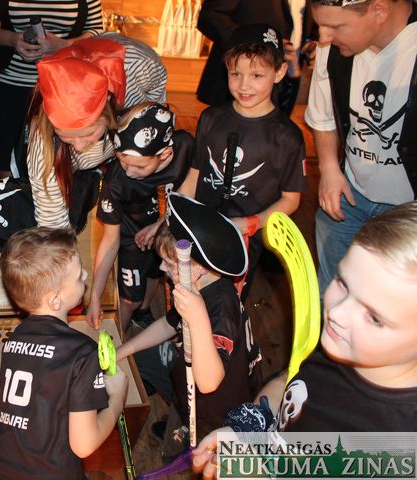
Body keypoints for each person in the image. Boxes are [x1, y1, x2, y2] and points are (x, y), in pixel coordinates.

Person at [193, 201, 417, 478]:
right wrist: (249, 428)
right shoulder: (346, 345)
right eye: (342, 283)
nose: (337, 313)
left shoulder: (397, 451)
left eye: (374, 317)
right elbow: (293, 382)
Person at [0, 227, 128, 479]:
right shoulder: (83, 353)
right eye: (79, 276)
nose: (86, 274)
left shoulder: (14, 339)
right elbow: (84, 445)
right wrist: (116, 402)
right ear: (55, 300)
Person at [117, 193, 261, 445]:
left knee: (195, 443)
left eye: (169, 263)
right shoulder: (196, 286)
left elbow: (208, 383)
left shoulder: (221, 308)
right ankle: (180, 417)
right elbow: (168, 324)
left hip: (215, 413)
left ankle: (186, 433)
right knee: (145, 357)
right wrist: (123, 350)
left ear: (200, 267)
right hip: (188, 381)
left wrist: (197, 319)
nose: (161, 268)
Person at [179, 24, 306, 299]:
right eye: (236, 74)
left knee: (225, 305)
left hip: (245, 241)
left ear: (279, 73)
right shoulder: (211, 118)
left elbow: (291, 199)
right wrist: (176, 220)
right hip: (200, 230)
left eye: (257, 75)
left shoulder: (288, 137)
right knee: (187, 297)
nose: (244, 85)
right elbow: (194, 175)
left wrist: (249, 223)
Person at [306, 0, 417, 297]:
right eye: (321, 25)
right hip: (349, 194)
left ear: (379, 10)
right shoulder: (331, 48)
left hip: (408, 211)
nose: (324, 37)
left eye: (336, 26)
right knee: (331, 292)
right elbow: (323, 115)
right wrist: (329, 168)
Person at [26, 32, 168, 229]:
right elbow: (51, 218)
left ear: (108, 108)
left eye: (87, 134)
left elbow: (158, 102)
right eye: (66, 136)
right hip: (74, 157)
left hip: (126, 125)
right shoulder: (42, 142)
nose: (78, 146)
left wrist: (145, 138)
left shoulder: (140, 65)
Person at [86, 103, 194, 331]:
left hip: (166, 228)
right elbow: (110, 241)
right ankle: (120, 337)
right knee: (129, 299)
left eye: (139, 166)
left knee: (155, 274)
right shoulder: (117, 182)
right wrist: (95, 297)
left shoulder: (186, 146)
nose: (129, 171)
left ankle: (143, 313)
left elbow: (191, 188)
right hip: (131, 237)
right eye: (121, 161)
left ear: (165, 153)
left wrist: (161, 224)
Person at [0, 0, 104, 178]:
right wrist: (12, 39)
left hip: (68, 89)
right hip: (13, 85)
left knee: (63, 165)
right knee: (7, 165)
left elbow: (96, 31)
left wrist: (65, 45)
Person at [196, 0, 317, 114]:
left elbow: (306, 22)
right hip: (236, 88)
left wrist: (315, 41)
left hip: (287, 82)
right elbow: (210, 16)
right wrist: (257, 46)